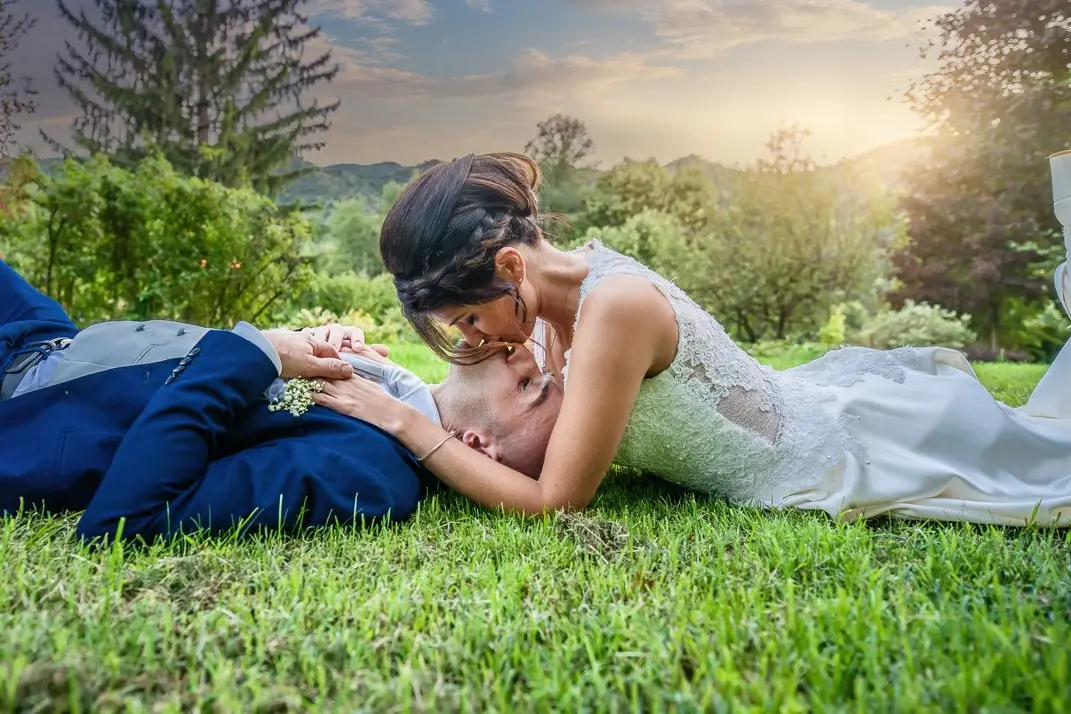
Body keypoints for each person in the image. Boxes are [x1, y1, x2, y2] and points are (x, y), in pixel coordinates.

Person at [316, 150, 1071, 527]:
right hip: (794, 401)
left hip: (821, 455)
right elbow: (479, 401)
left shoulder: (613, 311)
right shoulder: (547, 305)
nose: (475, 340)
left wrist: (403, 422)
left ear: (511, 265)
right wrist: (359, 360)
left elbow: (556, 499)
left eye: (471, 319)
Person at [0, 263, 558, 542]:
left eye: (532, 388)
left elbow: (129, 519)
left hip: (27, 411)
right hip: (49, 337)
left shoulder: (368, 474)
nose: (525, 357)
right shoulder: (389, 385)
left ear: (475, 445)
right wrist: (297, 338)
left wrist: (259, 353)